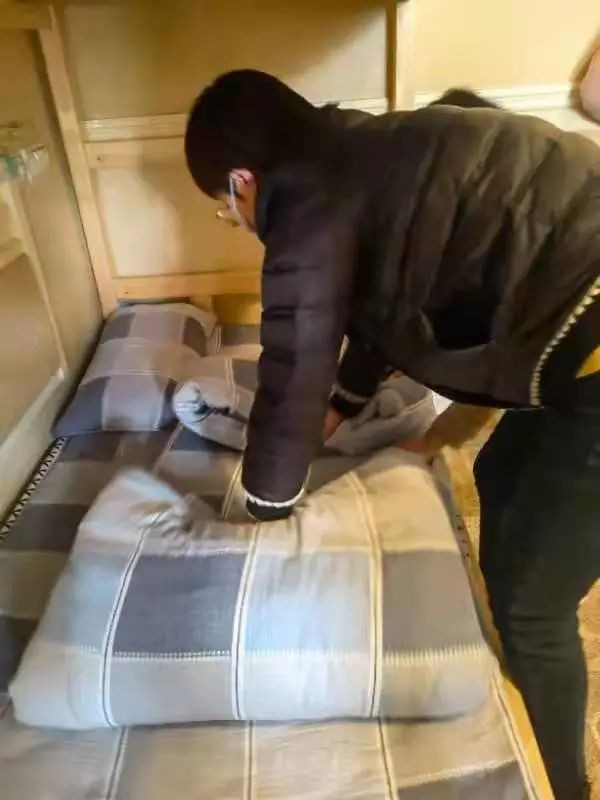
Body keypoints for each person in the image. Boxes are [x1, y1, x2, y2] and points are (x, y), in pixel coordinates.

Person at [185, 70, 600, 800]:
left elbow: (292, 368)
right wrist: (346, 406)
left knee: (534, 606)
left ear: (242, 181)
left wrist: (262, 516)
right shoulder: (359, 153)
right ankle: (516, 653)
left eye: (227, 209)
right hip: (575, 327)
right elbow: (385, 300)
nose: (239, 221)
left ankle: (566, 789)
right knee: (500, 471)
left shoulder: (305, 202)